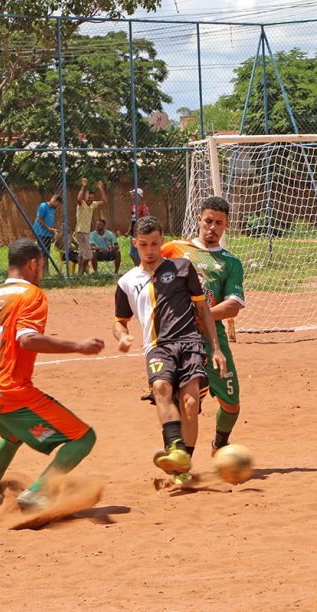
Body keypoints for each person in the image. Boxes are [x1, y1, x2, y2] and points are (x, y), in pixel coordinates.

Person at [0, 238, 105, 510]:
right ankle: (38, 493)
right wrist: (79, 346)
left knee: (12, 436)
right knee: (84, 437)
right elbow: (27, 339)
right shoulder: (32, 296)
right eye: (41, 266)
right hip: (11, 392)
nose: (42, 272)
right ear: (32, 264)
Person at [113, 216, 226, 485]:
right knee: (161, 388)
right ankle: (175, 449)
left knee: (190, 403)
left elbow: (203, 310)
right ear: (134, 244)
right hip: (157, 347)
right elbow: (119, 321)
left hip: (189, 343)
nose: (150, 251)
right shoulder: (126, 282)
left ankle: (183, 465)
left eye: (154, 244)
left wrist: (216, 348)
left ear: (161, 241)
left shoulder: (182, 268)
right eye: (143, 245)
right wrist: (123, 336)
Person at [161, 196, 245, 455]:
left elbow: (233, 305)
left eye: (219, 223)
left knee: (231, 405)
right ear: (199, 219)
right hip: (179, 338)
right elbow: (147, 268)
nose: (213, 227)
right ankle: (180, 457)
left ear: (226, 225)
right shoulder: (175, 249)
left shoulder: (230, 263)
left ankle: (220, 443)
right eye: (208, 220)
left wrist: (201, 315)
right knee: (185, 402)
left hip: (212, 339)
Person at [74, 178, 107, 274]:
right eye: (88, 197)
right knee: (88, 256)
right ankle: (83, 272)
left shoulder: (93, 204)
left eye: (92, 197)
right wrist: (83, 186)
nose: (90, 199)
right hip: (80, 231)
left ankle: (79, 274)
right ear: (85, 197)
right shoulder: (81, 204)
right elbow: (78, 199)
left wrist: (101, 188)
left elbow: (104, 201)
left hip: (86, 232)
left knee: (81, 254)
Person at [126, 188, 150, 265]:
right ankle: (139, 267)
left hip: (139, 231)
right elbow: (132, 220)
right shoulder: (134, 206)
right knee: (133, 253)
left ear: (139, 196)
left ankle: (142, 267)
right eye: (132, 194)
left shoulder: (143, 206)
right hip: (133, 231)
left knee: (135, 252)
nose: (132, 196)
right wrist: (129, 230)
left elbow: (146, 218)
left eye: (134, 194)